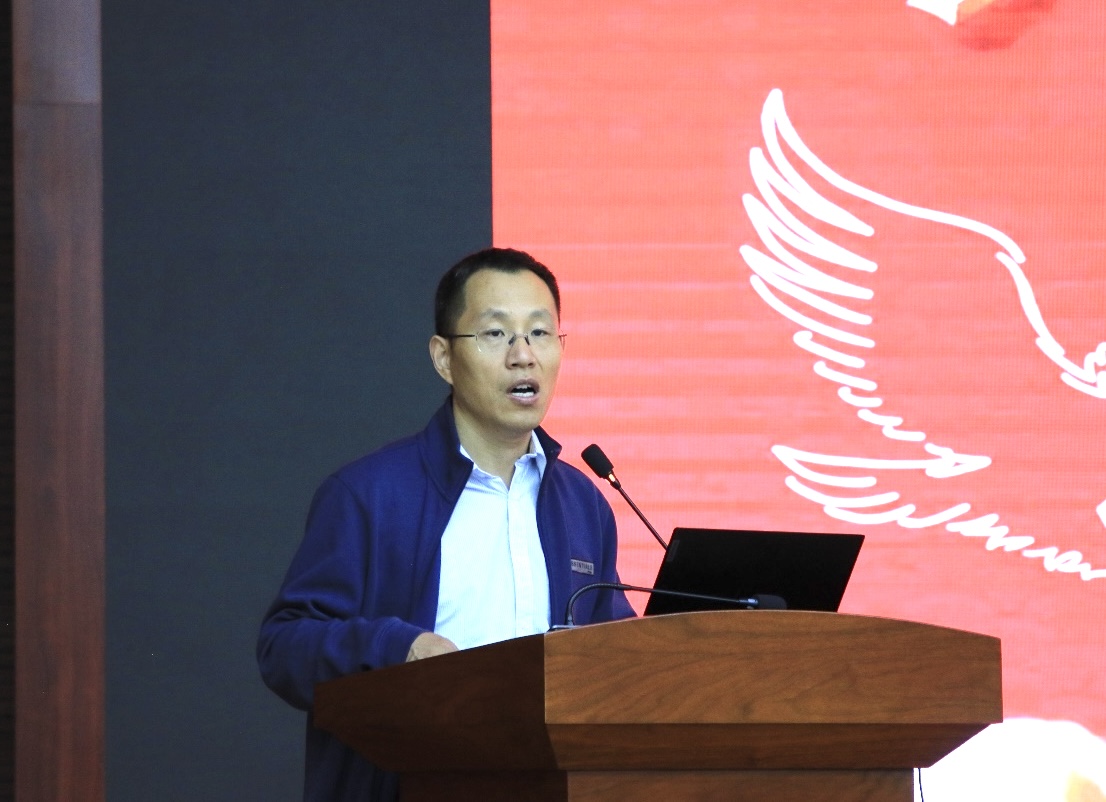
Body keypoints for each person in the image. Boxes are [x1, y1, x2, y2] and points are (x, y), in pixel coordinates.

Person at [257, 247, 635, 801]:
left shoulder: (584, 503)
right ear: (443, 358)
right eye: (496, 334)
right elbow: (285, 645)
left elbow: (615, 654)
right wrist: (397, 648)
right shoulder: (368, 495)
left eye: (540, 333)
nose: (523, 356)